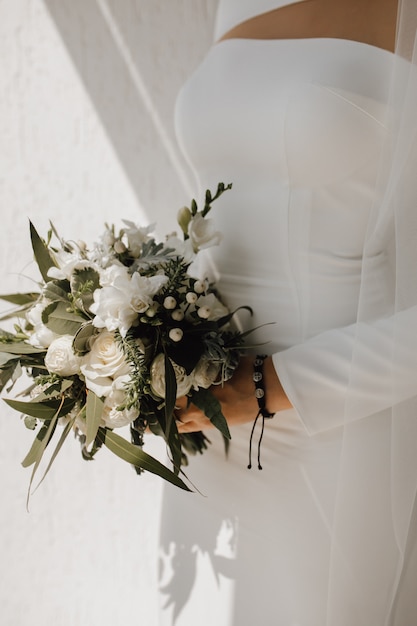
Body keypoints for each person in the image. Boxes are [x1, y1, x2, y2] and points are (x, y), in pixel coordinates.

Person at [158, 1, 417, 624]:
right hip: (207, 413)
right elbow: (228, 211)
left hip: (334, 415)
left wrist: (269, 386)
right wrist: (142, 343)